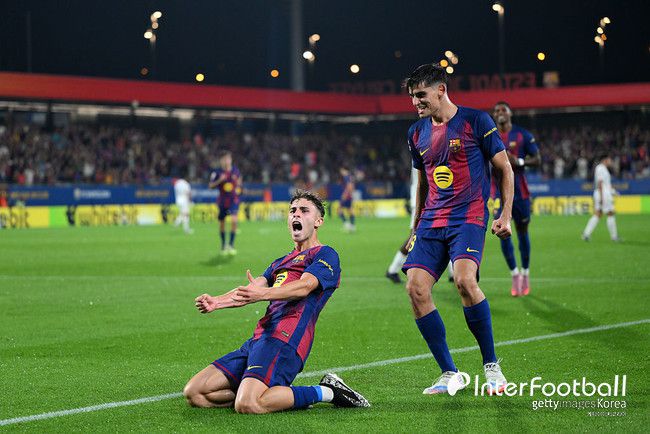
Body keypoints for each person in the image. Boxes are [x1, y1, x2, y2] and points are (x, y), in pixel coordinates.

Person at [183, 190, 370, 413]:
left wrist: (263, 294)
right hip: (259, 339)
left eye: (304, 210)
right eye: (292, 211)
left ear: (318, 221)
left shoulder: (325, 254)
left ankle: (328, 391)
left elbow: (304, 287)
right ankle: (257, 392)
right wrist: (217, 301)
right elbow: (252, 290)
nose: (296, 214)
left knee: (248, 404)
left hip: (286, 339)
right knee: (195, 393)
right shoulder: (280, 262)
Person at [401, 63, 514, 396]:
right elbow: (423, 183)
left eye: (421, 95)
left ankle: (492, 366)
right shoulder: (416, 132)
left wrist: (505, 215)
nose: (416, 103)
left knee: (465, 281)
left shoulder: (476, 121)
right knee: (415, 289)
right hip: (431, 220)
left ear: (441, 90)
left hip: (469, 216)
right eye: (412, 97)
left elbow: (505, 168)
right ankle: (449, 372)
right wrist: (415, 227)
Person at [491, 102, 541, 296]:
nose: (500, 112)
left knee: (522, 232)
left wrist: (519, 161)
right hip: (497, 194)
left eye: (503, 109)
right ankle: (515, 274)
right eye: (496, 110)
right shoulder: (489, 135)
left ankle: (525, 273)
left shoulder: (522, 135)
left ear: (510, 113)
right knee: (502, 233)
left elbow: (537, 159)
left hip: (520, 193)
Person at [386, 168, 454, 284]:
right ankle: (393, 269)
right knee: (414, 236)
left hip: (433, 199)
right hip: (423, 200)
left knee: (445, 230)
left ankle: (453, 272)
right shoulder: (423, 156)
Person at [582, 154, 620, 242]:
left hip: (602, 193)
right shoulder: (600, 168)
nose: (610, 161)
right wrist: (602, 197)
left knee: (598, 214)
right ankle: (614, 237)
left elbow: (606, 185)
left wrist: (613, 191)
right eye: (609, 159)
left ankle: (586, 234)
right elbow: (600, 183)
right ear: (605, 160)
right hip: (603, 194)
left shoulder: (603, 169)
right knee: (610, 213)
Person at [209, 151, 241, 254]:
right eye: (224, 159)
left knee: (234, 220)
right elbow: (210, 186)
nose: (226, 161)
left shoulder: (235, 171)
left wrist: (238, 185)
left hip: (233, 200)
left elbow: (239, 182)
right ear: (221, 161)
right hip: (222, 201)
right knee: (222, 223)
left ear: (231, 160)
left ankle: (231, 245)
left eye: (228, 159)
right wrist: (220, 180)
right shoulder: (217, 173)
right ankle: (223, 245)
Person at [338, 167, 356, 232]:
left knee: (339, 210)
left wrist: (345, 195)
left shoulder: (346, 177)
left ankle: (346, 224)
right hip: (349, 196)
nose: (341, 172)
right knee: (350, 210)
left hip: (346, 196)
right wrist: (351, 194)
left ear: (344, 170)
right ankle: (352, 226)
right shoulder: (350, 177)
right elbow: (352, 186)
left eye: (342, 171)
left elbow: (349, 186)